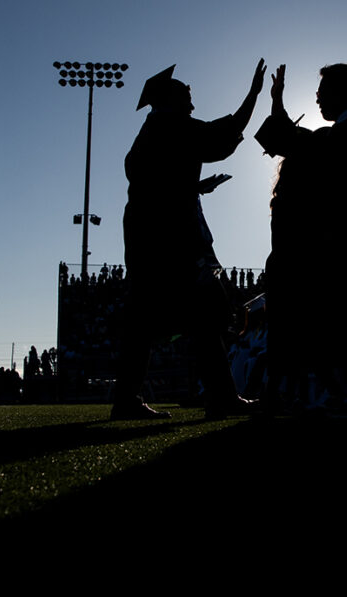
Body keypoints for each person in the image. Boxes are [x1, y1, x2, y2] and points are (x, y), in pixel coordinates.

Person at [110, 59, 267, 420]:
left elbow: (155, 182)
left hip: (148, 238)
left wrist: (194, 186)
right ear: (170, 99)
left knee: (147, 319)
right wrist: (253, 94)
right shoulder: (172, 127)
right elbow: (222, 135)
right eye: (186, 96)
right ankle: (220, 396)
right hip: (172, 242)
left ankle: (128, 399)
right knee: (204, 313)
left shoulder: (150, 133)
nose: (192, 104)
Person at [256, 63, 347, 414]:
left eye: (322, 92)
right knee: (346, 331)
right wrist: (277, 103)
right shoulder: (338, 135)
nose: (318, 99)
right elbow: (295, 142)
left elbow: (303, 144)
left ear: (341, 92)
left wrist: (280, 112)